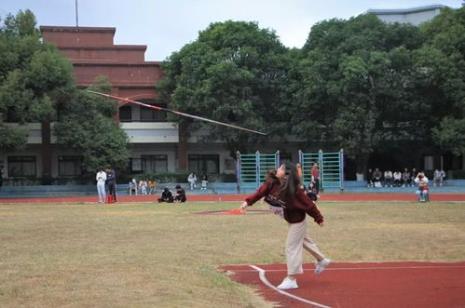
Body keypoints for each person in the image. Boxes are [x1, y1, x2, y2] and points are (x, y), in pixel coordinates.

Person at [239, 162, 330, 290]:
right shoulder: (271, 182)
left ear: (287, 174)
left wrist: (319, 218)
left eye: (281, 168)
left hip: (298, 220)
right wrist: (247, 202)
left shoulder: (294, 190)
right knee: (302, 240)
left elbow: (309, 205)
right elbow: (259, 193)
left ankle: (292, 278)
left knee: (291, 246)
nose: (278, 169)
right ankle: (322, 260)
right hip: (290, 218)